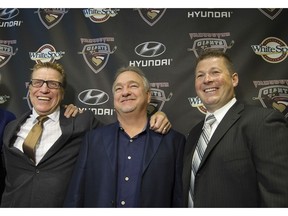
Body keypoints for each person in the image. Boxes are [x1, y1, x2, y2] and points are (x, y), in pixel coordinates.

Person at [0, 62, 171, 207]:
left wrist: (157, 115)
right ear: (29, 88)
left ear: (62, 92)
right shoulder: (11, 127)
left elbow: (125, 131)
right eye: (37, 83)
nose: (44, 89)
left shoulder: (82, 122)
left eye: (53, 84)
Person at [64, 66, 186, 207]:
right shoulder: (93, 140)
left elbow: (178, 199)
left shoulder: (173, 141)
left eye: (133, 86)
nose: (125, 92)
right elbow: (76, 195)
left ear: (148, 96)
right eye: (118, 88)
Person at [182, 49, 288, 207]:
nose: (207, 79)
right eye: (200, 75)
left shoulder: (262, 122)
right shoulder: (194, 134)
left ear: (234, 79)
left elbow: (278, 196)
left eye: (215, 72)